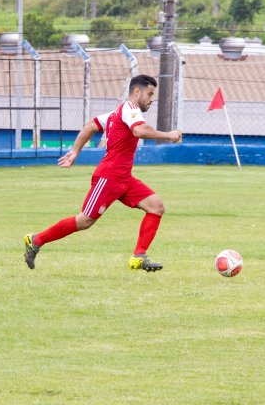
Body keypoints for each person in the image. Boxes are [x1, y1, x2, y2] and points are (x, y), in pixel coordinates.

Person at [23, 74, 182, 272]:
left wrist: (74, 152)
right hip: (109, 177)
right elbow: (140, 131)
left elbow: (91, 126)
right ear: (137, 91)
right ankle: (35, 240)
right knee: (85, 221)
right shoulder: (130, 110)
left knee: (156, 207)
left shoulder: (117, 113)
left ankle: (138, 257)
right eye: (150, 94)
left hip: (124, 178)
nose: (151, 99)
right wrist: (168, 135)